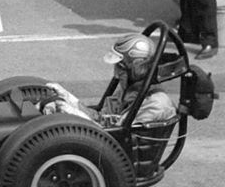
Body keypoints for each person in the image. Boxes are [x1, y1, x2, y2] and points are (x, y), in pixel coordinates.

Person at [42, 33, 177, 127]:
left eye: (121, 67)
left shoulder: (155, 104)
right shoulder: (128, 91)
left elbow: (114, 138)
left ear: (137, 68)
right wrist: (69, 98)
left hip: (123, 157)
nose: (116, 74)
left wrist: (71, 112)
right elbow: (101, 119)